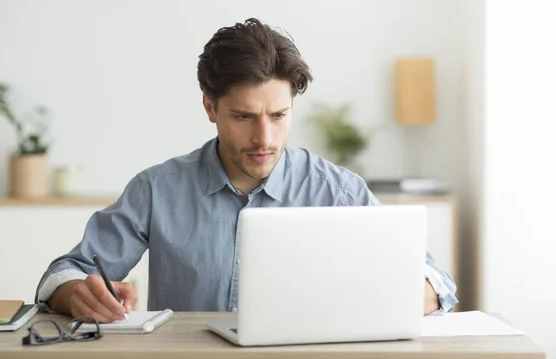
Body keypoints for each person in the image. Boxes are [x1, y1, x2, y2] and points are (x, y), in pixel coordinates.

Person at [35, 18, 458, 323]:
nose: (264, 138)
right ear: (209, 107)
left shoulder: (339, 191)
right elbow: (64, 271)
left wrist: (393, 296)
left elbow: (437, 282)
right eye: (243, 117)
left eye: (279, 115)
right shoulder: (157, 189)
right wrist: (78, 295)